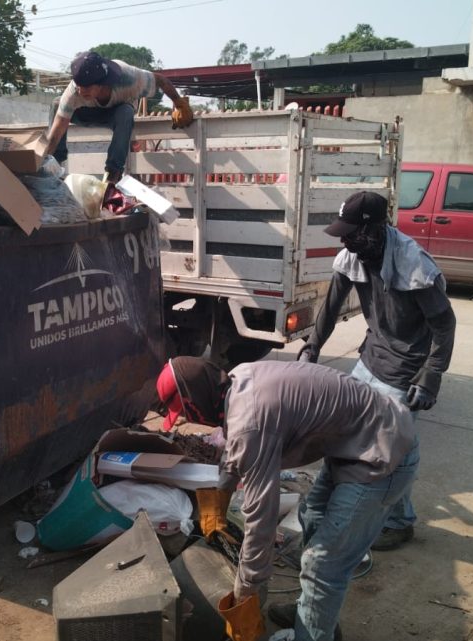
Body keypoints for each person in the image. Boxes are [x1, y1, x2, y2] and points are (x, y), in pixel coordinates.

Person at [156, 356, 419, 641]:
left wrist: (245, 594)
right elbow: (236, 449)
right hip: (355, 441)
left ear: (196, 401)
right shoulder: (237, 381)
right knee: (312, 516)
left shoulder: (251, 421)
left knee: (323, 565)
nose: (188, 419)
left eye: (185, 412)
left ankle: (315, 632)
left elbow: (261, 520)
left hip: (382, 452)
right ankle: (315, 613)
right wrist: (217, 502)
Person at [298, 190, 456, 551]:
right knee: (353, 437)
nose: (345, 240)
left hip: (406, 371)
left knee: (389, 452)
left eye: (352, 233)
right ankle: (362, 508)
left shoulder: (414, 265)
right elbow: (330, 307)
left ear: (376, 229)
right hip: (371, 358)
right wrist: (312, 347)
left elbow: (445, 325)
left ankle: (399, 522)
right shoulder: (352, 256)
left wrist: (431, 375)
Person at [44, 51, 194, 185]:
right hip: (87, 113)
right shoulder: (74, 92)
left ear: (102, 83)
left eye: (88, 88)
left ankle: (112, 177)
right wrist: (44, 163)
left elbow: (161, 80)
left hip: (116, 114)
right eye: (78, 86)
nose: (82, 91)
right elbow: (57, 130)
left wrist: (179, 103)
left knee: (125, 112)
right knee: (57, 104)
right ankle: (54, 168)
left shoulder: (129, 79)